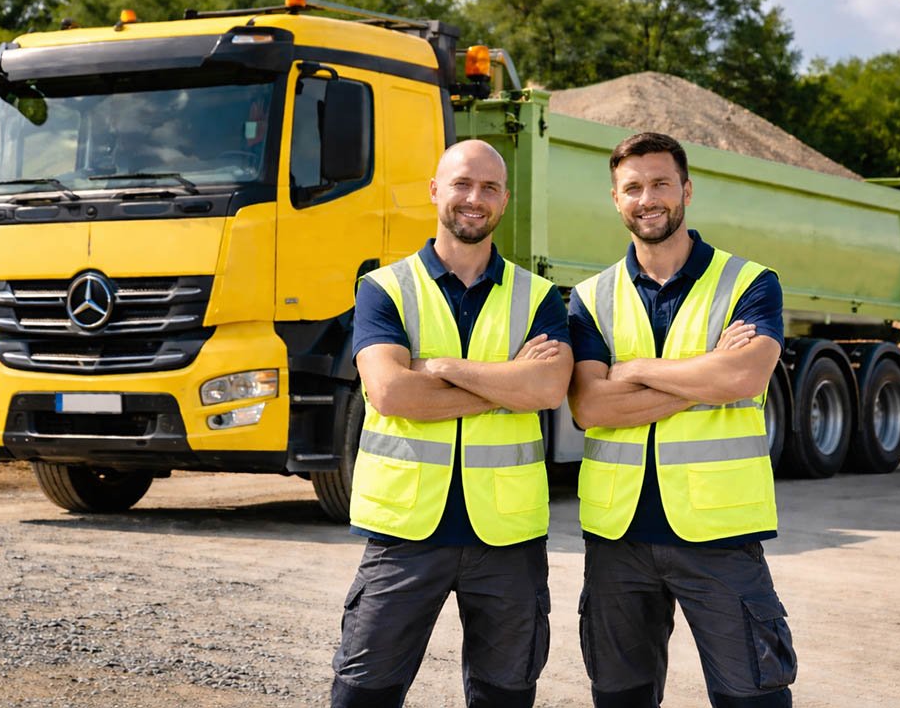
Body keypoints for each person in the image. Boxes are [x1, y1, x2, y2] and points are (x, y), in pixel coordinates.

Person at [331, 139, 573, 707]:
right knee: (363, 693)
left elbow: (548, 388)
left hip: (507, 536)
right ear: (435, 191)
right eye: (462, 183)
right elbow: (390, 392)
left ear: (505, 200)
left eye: (489, 187)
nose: (474, 198)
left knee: (505, 695)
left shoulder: (537, 297)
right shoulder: (385, 288)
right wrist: (504, 387)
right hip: (405, 532)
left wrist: (444, 369)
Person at [567, 132, 797, 708]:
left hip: (719, 534)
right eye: (633, 187)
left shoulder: (749, 282)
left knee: (754, 697)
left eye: (661, 183)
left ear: (687, 191)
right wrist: (705, 375)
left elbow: (743, 379)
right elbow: (590, 406)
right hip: (617, 539)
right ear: (616, 200)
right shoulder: (590, 297)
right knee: (620, 698)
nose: (649, 198)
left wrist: (637, 369)